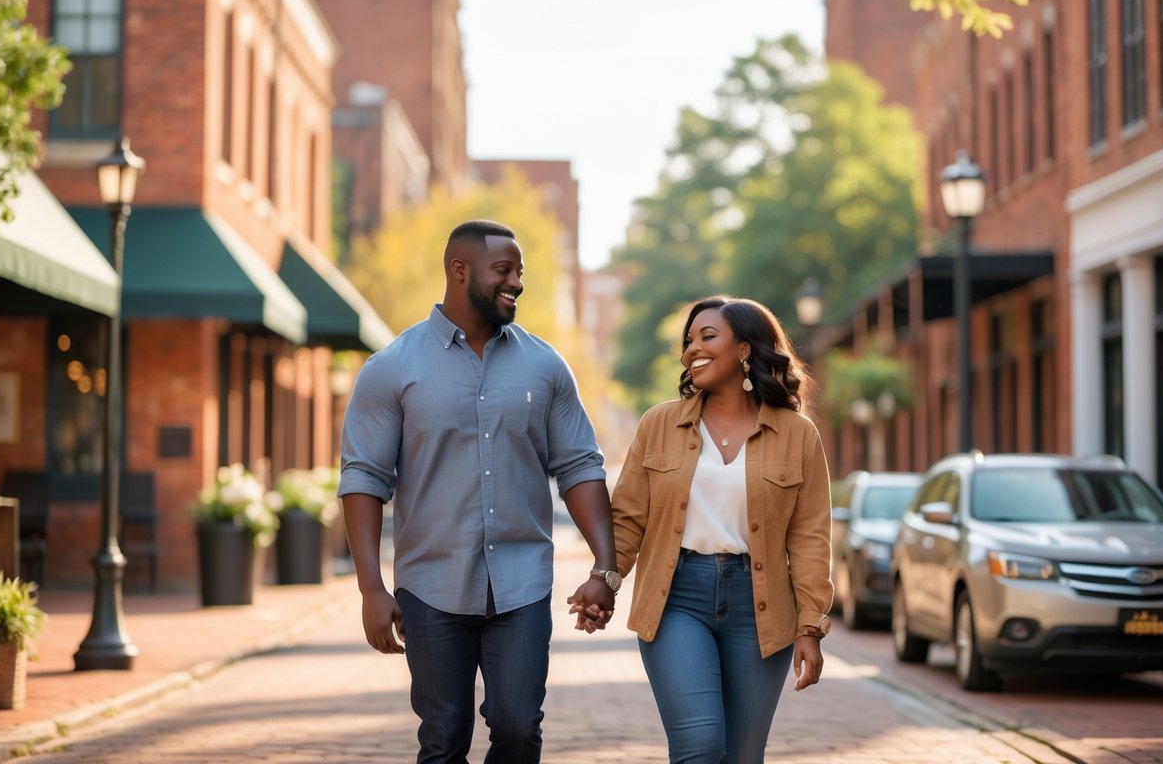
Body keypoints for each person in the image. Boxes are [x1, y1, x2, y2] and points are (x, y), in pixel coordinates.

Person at [338, 219, 618, 764]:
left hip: (522, 584)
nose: (516, 282)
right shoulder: (392, 368)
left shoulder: (546, 366)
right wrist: (371, 587)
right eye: (504, 271)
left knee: (518, 729)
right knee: (443, 736)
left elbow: (580, 466)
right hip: (430, 585)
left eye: (520, 272)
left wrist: (604, 568)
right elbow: (364, 479)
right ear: (459, 271)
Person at [602, 296, 833, 764]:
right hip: (676, 598)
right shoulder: (659, 424)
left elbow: (810, 537)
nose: (692, 349)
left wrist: (811, 625)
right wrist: (605, 578)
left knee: (743, 756)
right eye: (688, 340)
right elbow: (627, 518)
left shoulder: (796, 434)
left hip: (761, 605)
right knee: (700, 745)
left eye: (708, 337)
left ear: (745, 349)